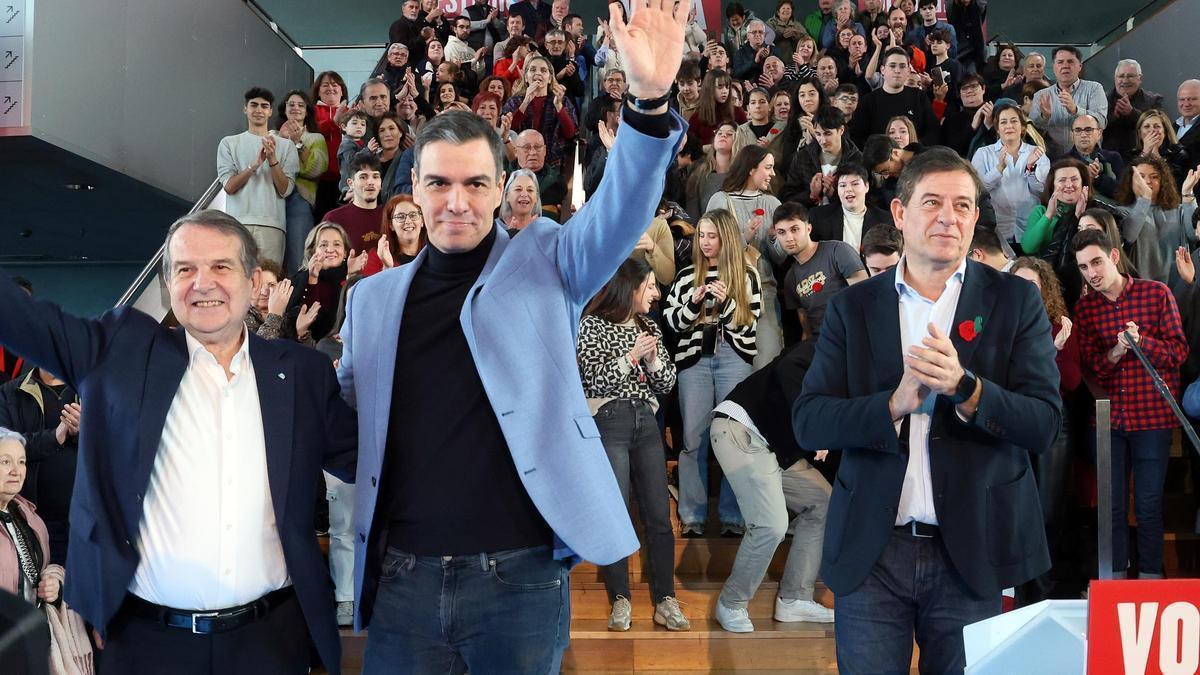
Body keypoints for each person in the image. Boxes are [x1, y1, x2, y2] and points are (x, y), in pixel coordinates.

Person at [336, 3, 688, 672]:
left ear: (501, 188)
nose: (456, 202)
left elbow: (621, 207)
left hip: (518, 580)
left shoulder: (551, 257)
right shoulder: (372, 300)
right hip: (404, 582)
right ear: (414, 186)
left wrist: (647, 101)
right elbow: (347, 422)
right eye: (438, 183)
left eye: (475, 183)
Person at [0, 210, 357, 673]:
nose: (202, 283)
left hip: (270, 642)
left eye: (220, 267)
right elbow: (20, 317)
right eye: (185, 269)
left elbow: (370, 460)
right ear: (168, 283)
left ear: (254, 282)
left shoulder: (300, 374)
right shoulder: (121, 351)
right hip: (147, 644)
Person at [794, 148, 1061, 673]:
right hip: (873, 553)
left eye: (963, 205)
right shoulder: (852, 306)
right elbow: (809, 421)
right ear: (899, 214)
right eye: (933, 202)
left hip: (973, 551)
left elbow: (1044, 423)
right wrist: (892, 404)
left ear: (976, 218)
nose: (949, 217)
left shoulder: (1015, 301)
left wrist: (968, 389)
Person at [576, 258, 687, 633]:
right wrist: (630, 357)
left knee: (659, 515)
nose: (656, 294)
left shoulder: (649, 326)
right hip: (609, 422)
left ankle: (666, 599)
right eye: (651, 286)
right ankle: (620, 597)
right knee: (617, 510)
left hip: (646, 423)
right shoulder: (592, 325)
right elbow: (592, 379)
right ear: (631, 287)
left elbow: (667, 383)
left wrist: (654, 361)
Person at [1072, 228, 1188, 579]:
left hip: (1152, 417)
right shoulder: (1085, 309)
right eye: (1082, 267)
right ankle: (1115, 582)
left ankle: (1151, 580)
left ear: (1114, 257)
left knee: (1149, 507)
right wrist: (1118, 351)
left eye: (1096, 262)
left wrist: (1143, 343)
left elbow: (1179, 352)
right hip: (1108, 423)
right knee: (1111, 508)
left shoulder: (1156, 294)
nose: (1091, 273)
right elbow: (1092, 368)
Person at [710, 337, 836, 632]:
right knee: (771, 524)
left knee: (823, 501)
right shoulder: (829, 342)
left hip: (774, 446)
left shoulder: (853, 369)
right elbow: (788, 367)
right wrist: (811, 429)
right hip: (740, 428)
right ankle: (731, 603)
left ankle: (794, 598)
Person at [665, 209, 762, 537]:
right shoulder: (685, 276)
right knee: (693, 440)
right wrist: (693, 303)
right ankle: (693, 515)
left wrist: (729, 303)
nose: (705, 242)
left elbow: (750, 324)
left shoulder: (746, 275)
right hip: (694, 362)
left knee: (735, 439)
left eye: (712, 235)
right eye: (701, 236)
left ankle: (734, 516)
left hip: (733, 358)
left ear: (727, 238)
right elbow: (673, 324)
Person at [1009, 255, 1080, 599]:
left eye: (1032, 286)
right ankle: (1022, 597)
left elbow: (1070, 380)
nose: (1025, 292)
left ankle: (1043, 596)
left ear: (1045, 290)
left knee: (1048, 512)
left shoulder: (1059, 325)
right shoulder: (1001, 326)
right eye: (1019, 284)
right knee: (1019, 512)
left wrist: (1055, 350)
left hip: (1054, 423)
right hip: (1013, 422)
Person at [707, 146, 785, 369]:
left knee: (767, 363)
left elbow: (778, 259)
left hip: (764, 292)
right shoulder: (720, 200)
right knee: (731, 369)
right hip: (727, 291)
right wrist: (744, 238)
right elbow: (708, 248)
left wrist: (772, 240)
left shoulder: (772, 203)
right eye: (768, 168)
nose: (772, 174)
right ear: (751, 169)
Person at [0, 368, 79, 566]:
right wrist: (55, 436)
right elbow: (5, 451)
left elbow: (118, 447)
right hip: (31, 521)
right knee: (38, 590)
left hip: (87, 524)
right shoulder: (10, 393)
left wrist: (85, 432)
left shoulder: (93, 389)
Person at [217, 87, 299, 265]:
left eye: (264, 106)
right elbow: (229, 187)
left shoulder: (286, 146)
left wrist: (272, 159)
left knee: (268, 281)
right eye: (254, 105)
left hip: (273, 224)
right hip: (237, 224)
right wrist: (254, 165)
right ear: (245, 109)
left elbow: (285, 190)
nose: (259, 110)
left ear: (270, 111)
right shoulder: (229, 143)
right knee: (238, 280)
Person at [777, 202, 868, 344]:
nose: (789, 238)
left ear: (808, 229)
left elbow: (865, 297)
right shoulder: (791, 277)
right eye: (781, 232)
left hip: (851, 334)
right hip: (820, 343)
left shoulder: (837, 250)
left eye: (794, 229)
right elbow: (806, 330)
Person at [971, 102, 1049, 251]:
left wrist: (1030, 168)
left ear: (1023, 127)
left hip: (1030, 227)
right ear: (998, 129)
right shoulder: (983, 153)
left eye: (1014, 121)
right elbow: (978, 191)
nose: (1009, 126)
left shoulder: (1037, 152)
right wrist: (999, 168)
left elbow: (1043, 191)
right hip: (996, 228)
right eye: (1003, 122)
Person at [0, 428, 64, 608]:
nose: (16, 471)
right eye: (5, 461)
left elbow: (42, 569)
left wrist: (54, 585)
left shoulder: (30, 516)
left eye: (21, 462)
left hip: (33, 628)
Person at [1112, 155, 1200, 284]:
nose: (1147, 182)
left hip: (1179, 286)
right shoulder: (1122, 212)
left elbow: (1194, 235)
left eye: (1154, 177)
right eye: (1141, 177)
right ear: (1130, 181)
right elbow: (1128, 236)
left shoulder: (1180, 210)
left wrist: (1187, 194)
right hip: (1143, 290)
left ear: (1163, 182)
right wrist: (1144, 199)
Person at [1021, 157, 1093, 306]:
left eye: (1074, 179)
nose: (1069, 185)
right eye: (1062, 180)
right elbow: (1028, 247)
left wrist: (1078, 218)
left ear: (1083, 184)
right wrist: (1049, 215)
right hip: (1049, 283)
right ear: (1052, 185)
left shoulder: (1093, 213)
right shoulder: (1040, 212)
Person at [274, 90, 330, 271]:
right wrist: (282, 140)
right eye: (291, 104)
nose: (296, 108)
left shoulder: (316, 138)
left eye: (301, 105)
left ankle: (298, 297)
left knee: (299, 256)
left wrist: (298, 143)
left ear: (307, 112)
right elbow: (265, 167)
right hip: (271, 199)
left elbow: (316, 168)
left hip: (300, 199)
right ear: (284, 109)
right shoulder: (272, 135)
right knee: (270, 255)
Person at [1027, 46, 1107, 159]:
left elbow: (1101, 122)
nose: (1065, 66)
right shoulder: (1041, 95)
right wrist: (1045, 117)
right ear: (1054, 68)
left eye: (1070, 61)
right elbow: (1032, 132)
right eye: (1060, 62)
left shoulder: (1094, 88)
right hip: (1051, 158)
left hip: (1088, 158)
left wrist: (1075, 110)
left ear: (1080, 66)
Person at [849, 48, 939, 147]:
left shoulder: (919, 97)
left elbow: (933, 132)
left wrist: (912, 150)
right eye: (892, 66)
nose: (897, 71)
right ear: (882, 70)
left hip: (915, 158)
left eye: (902, 66)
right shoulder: (868, 101)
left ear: (908, 71)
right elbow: (857, 137)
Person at [781, 106, 862, 208]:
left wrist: (834, 194)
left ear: (841, 130)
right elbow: (787, 196)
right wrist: (811, 195)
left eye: (828, 133)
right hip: (809, 218)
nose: (823, 140)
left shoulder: (857, 160)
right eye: (818, 134)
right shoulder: (803, 157)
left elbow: (864, 198)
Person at [808, 163, 893, 251]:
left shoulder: (884, 220)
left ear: (866, 186)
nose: (848, 189)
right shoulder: (819, 216)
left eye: (855, 184)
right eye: (843, 185)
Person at [325, 153, 385, 263]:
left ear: (381, 182)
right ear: (351, 183)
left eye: (375, 176)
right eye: (363, 177)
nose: (370, 182)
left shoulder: (390, 216)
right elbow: (325, 262)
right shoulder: (334, 219)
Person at [1105, 60, 1163, 161]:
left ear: (1140, 78)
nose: (1125, 80)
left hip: (1143, 158)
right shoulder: (1102, 100)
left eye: (1130, 76)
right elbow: (1095, 127)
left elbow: (1159, 127)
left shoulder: (1153, 100)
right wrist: (1113, 116)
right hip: (1108, 160)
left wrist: (1132, 113)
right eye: (1121, 76)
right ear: (1115, 78)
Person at [1066, 113, 1125, 199]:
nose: (1083, 135)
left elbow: (1123, 192)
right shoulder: (1062, 162)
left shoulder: (1113, 158)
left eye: (1088, 130)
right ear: (1072, 135)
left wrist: (1097, 179)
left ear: (1099, 133)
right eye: (1078, 130)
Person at [1134, 108, 1193, 190]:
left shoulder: (1179, 154)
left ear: (1165, 132)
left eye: (1157, 126)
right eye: (1147, 126)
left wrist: (1155, 154)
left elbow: (1175, 187)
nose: (1152, 130)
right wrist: (1145, 153)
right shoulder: (1131, 155)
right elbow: (1130, 185)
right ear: (1140, 133)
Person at [497, 168, 542, 236]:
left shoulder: (545, 228)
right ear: (507, 196)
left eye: (530, 190)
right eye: (518, 189)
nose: (524, 194)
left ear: (536, 198)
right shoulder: (493, 228)